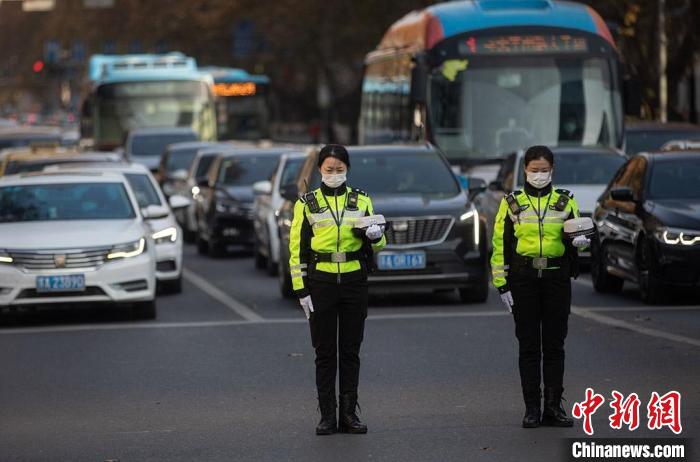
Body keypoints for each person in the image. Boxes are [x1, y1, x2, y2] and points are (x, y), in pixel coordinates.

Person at [288, 144, 386, 435]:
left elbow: (378, 243)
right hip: (321, 284)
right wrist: (301, 291)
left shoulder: (362, 200)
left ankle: (349, 414)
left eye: (339, 169)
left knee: (351, 351)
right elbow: (297, 251)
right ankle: (327, 416)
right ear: (320, 170)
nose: (334, 174)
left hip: (355, 281)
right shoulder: (306, 204)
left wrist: (377, 235)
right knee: (325, 352)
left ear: (347, 169)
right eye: (329, 169)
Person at [490, 145, 590, 428]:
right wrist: (501, 284)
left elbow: (576, 236)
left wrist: (579, 243)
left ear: (552, 170)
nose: (539, 175)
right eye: (534, 170)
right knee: (529, 346)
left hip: (556, 279)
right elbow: (500, 244)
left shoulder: (565, 201)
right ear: (525, 170)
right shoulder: (511, 202)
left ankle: (553, 407)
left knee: (555, 345)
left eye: (544, 170)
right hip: (524, 280)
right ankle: (531, 409)